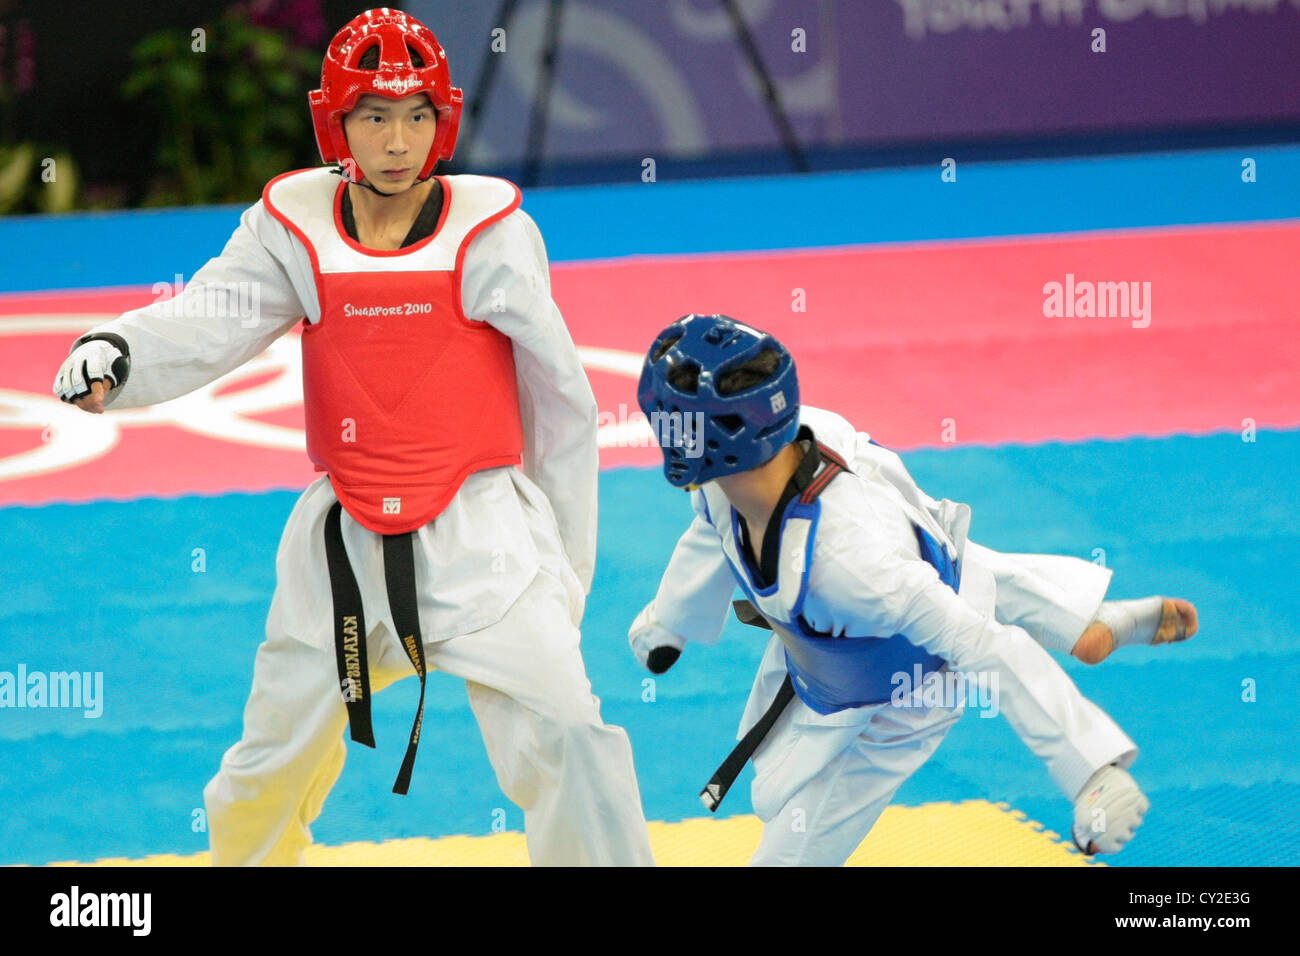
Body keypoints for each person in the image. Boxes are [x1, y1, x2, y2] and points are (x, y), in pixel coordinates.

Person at [52, 8, 653, 867]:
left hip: (486, 536)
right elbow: (213, 315)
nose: (398, 141)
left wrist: (565, 567)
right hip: (341, 548)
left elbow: (561, 403)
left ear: (443, 121)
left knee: (571, 732)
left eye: (416, 117)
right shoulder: (291, 225)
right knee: (267, 765)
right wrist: (119, 350)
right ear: (337, 124)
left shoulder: (492, 232)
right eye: (374, 116)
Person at [629, 313, 1198, 866]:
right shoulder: (751, 465)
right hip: (912, 570)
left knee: (795, 843)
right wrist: (670, 624)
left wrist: (1093, 774)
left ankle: (1077, 636)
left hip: (903, 690)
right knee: (960, 580)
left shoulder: (850, 568)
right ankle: (1084, 623)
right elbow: (712, 531)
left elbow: (986, 648)